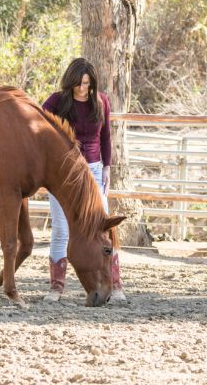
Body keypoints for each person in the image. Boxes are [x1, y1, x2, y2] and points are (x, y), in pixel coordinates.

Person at [42, 57, 126, 303]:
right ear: (70, 82)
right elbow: (38, 125)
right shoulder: (57, 101)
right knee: (61, 229)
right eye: (78, 83)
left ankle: (116, 284)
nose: (82, 88)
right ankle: (56, 287)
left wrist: (107, 167)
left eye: (87, 83)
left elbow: (106, 138)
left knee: (104, 227)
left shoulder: (101, 101)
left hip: (94, 171)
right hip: (64, 175)